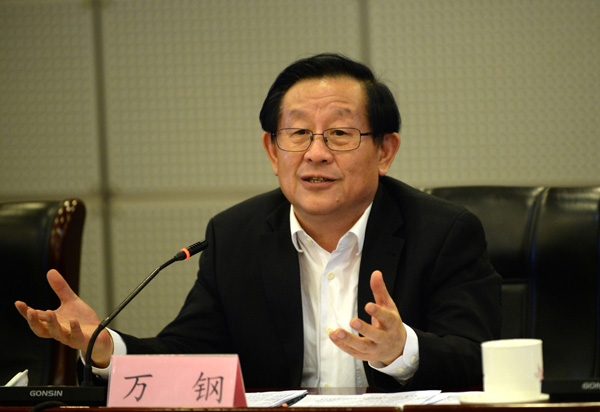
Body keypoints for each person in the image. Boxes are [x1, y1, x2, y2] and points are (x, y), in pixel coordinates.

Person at [15, 53, 501, 391]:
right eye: (298, 133)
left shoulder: (444, 233)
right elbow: (190, 355)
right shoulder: (235, 236)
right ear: (272, 150)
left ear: (385, 151)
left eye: (339, 133)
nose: (315, 153)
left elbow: (480, 360)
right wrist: (105, 347)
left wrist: (401, 349)